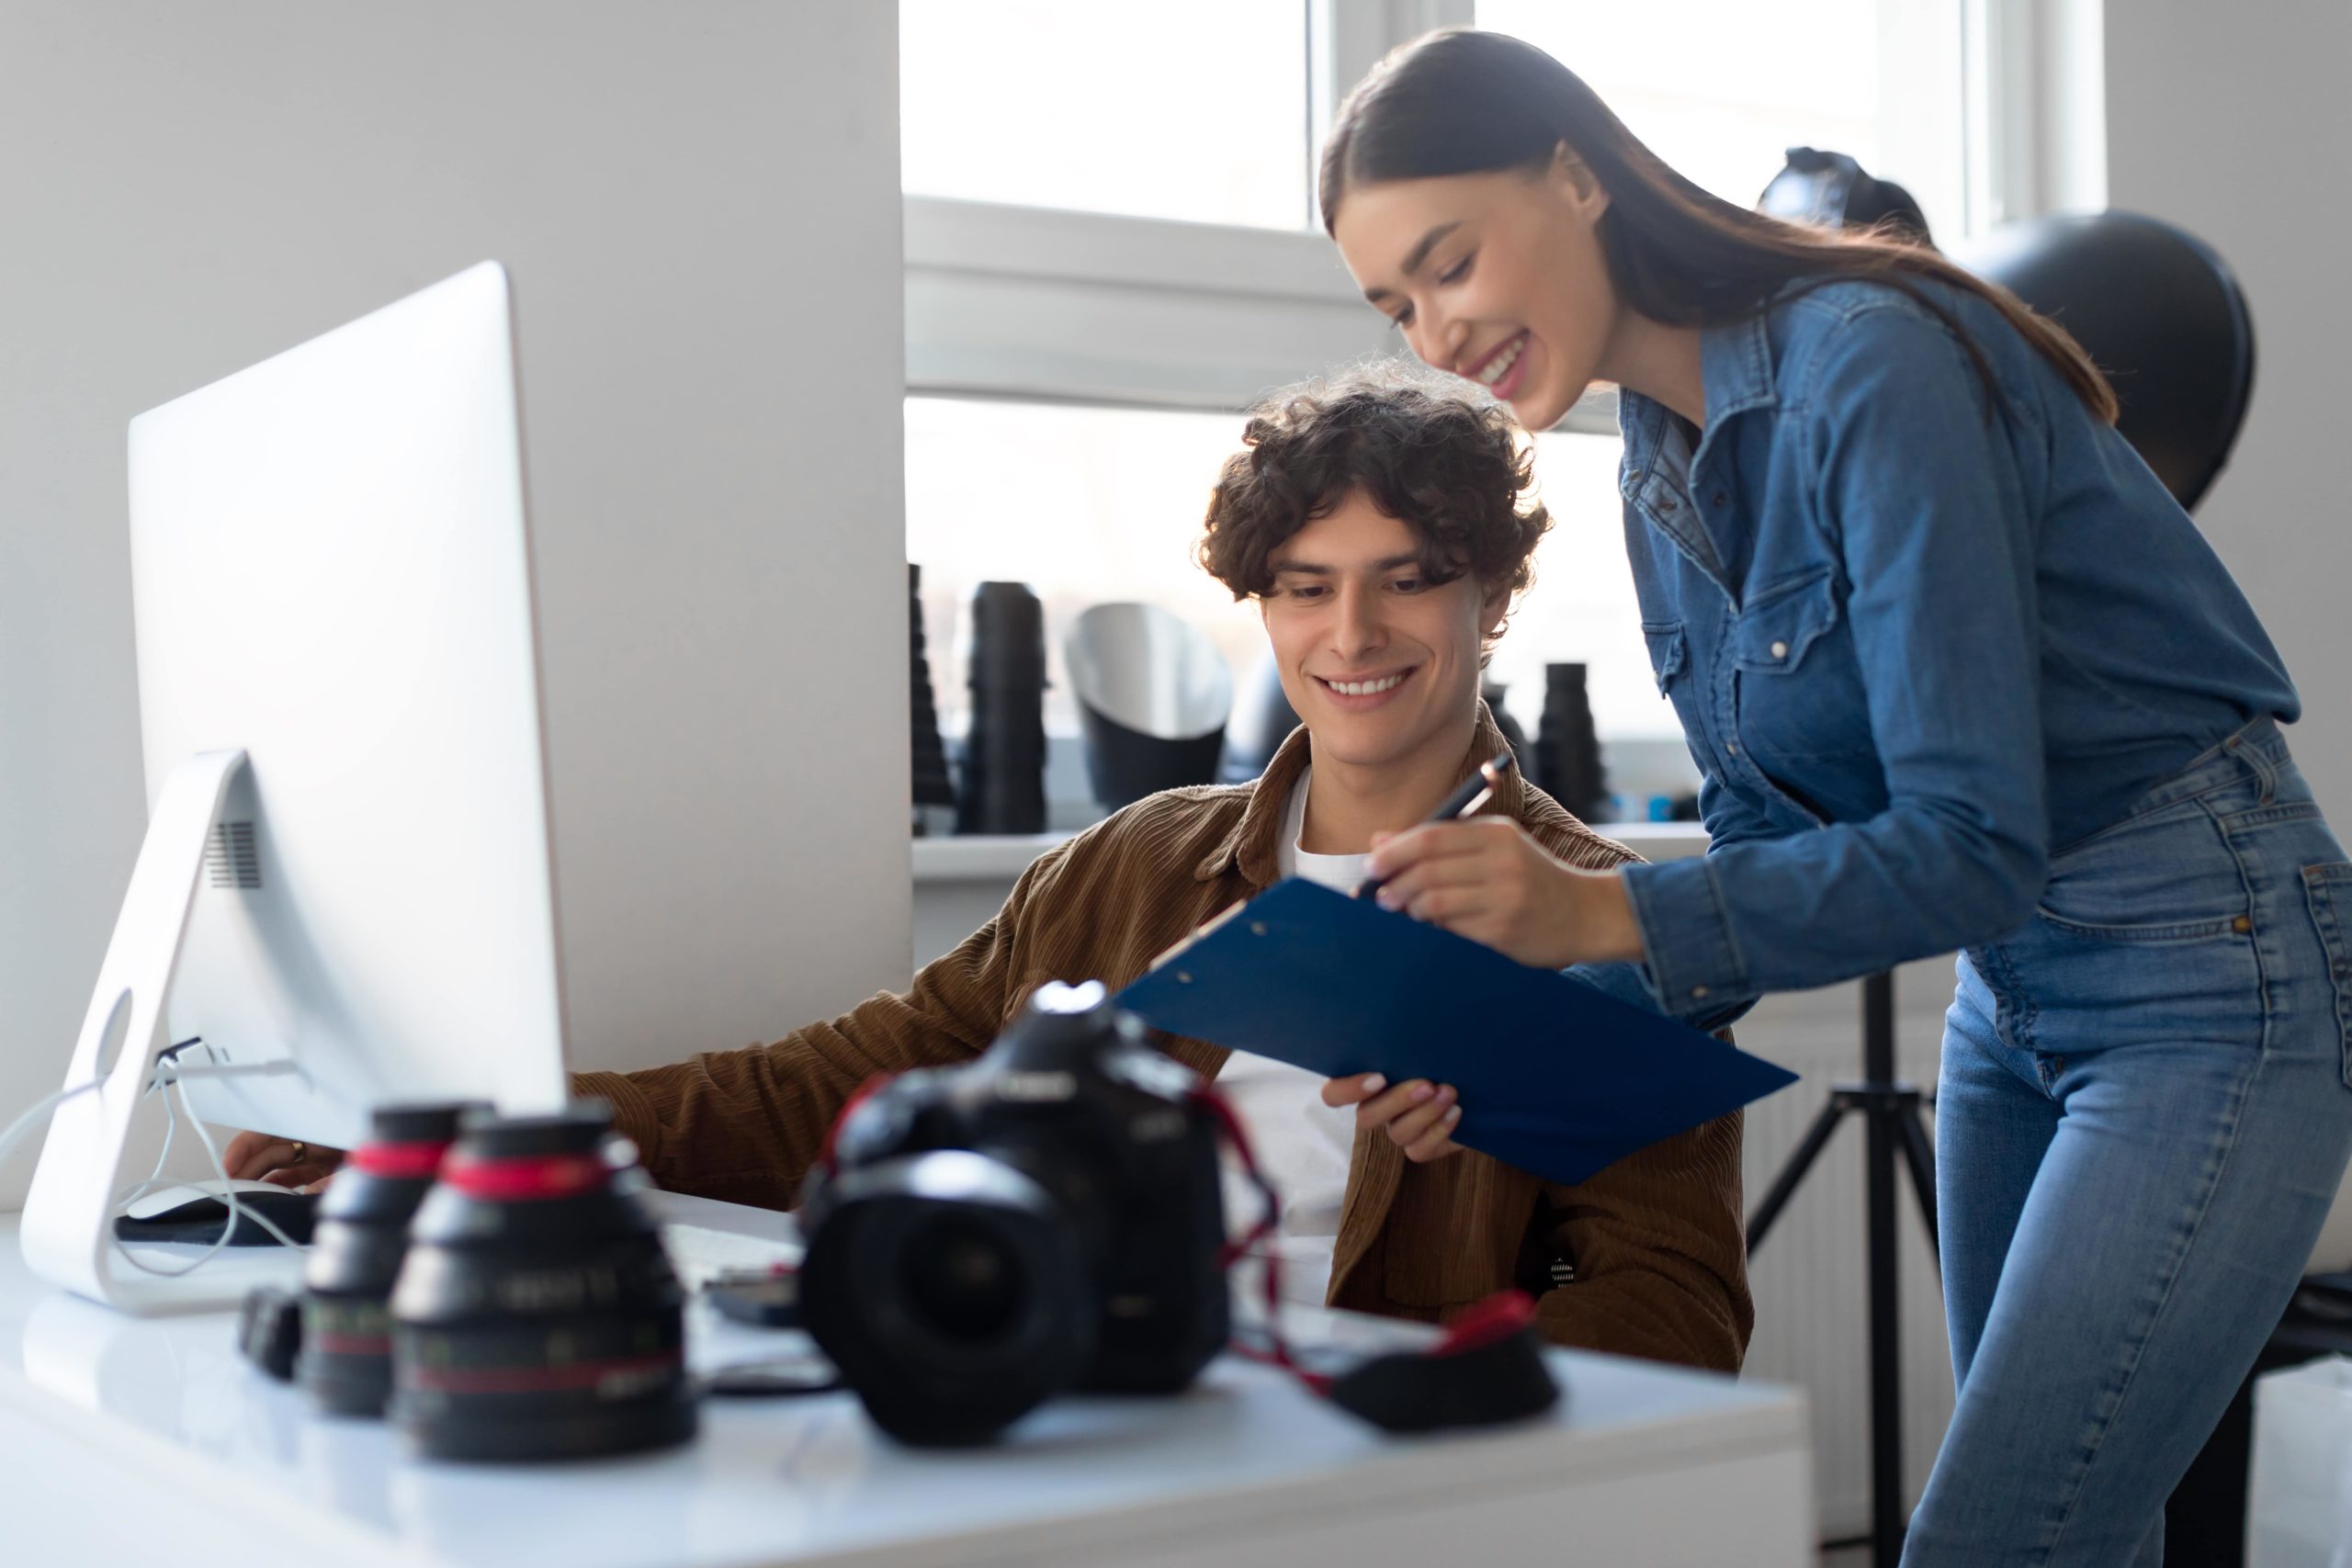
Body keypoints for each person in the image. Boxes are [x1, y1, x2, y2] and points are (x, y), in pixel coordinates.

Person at [1315, 27, 2352, 1567]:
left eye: (1449, 262)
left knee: (1999, 1542)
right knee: (2085, 1536)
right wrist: (1500, 1042)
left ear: (1579, 177)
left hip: (2212, 968)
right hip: (2013, 1001)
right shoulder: (1652, 459)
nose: (1435, 334)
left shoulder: (1869, 357)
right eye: (1396, 306)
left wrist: (1593, 906)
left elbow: (1967, 845)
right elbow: (1762, 835)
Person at [227, 371, 1754, 1372]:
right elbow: (814, 1093)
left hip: (1350, 1461)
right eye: (1307, 590)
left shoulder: (1608, 916)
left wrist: (1437, 1379)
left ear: (1491, 599)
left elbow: (1677, 1307)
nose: (1352, 637)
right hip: (1080, 1395)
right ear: (1266, 612)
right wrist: (464, 1146)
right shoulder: (1127, 871)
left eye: (1408, 582)